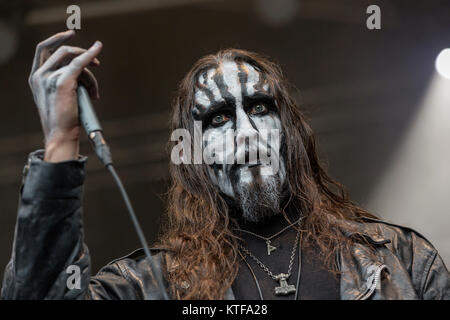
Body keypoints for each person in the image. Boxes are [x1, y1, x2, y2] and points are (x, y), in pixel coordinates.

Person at [1, 30, 449, 300]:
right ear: (193, 155)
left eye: (259, 108)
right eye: (218, 118)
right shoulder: (149, 286)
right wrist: (61, 142)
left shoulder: (401, 261)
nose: (245, 134)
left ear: (291, 132)